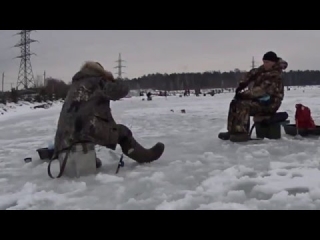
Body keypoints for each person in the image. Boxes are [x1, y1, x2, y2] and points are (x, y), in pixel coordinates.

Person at [52, 61, 165, 173]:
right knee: (122, 132)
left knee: (88, 132)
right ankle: (145, 156)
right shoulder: (97, 81)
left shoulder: (75, 85)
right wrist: (111, 79)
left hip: (64, 137)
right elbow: (122, 90)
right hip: (84, 129)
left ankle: (87, 160)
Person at [219, 51, 288, 142]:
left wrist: (244, 94)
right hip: (260, 101)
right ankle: (232, 131)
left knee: (243, 105)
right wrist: (242, 84)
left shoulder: (275, 75)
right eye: (264, 62)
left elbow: (261, 90)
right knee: (235, 103)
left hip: (270, 103)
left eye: (267, 62)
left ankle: (241, 133)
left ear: (273, 62)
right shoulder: (262, 70)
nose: (265, 64)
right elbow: (252, 73)